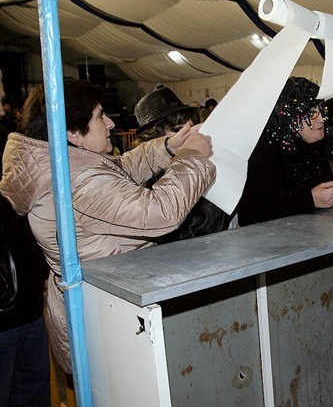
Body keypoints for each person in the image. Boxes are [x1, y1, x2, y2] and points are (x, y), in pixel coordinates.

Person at [0, 79, 214, 375]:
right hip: (109, 316)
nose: (111, 123)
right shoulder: (77, 181)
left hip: (104, 305)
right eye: (100, 116)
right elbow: (158, 212)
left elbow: (118, 171)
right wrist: (194, 158)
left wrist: (167, 148)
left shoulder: (65, 165)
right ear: (74, 134)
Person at [234, 77, 333, 226]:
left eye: (321, 110)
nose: (322, 119)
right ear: (290, 117)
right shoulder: (265, 152)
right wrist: (310, 200)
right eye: (312, 113)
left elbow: (318, 186)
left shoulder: (314, 142)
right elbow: (252, 214)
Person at [133, 86, 232, 240]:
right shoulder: (150, 178)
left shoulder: (194, 160)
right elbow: (190, 231)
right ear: (155, 135)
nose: (189, 134)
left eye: (190, 127)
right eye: (179, 129)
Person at [1, 194, 58, 407]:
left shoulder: (10, 173)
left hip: (29, 308)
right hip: (6, 318)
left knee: (31, 406)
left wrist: (41, 272)